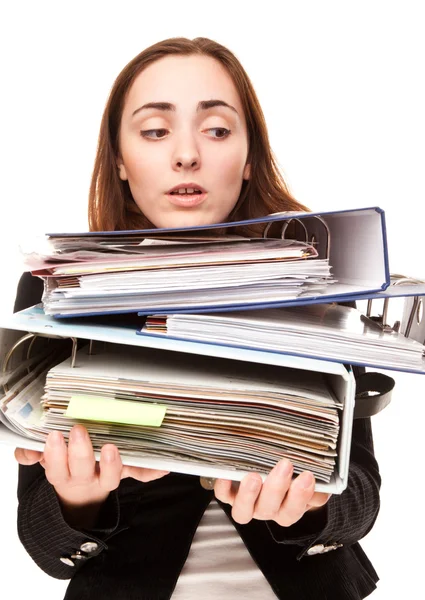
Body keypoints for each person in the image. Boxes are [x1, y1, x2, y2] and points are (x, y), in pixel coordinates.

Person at [14, 37, 380, 600]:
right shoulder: (61, 293)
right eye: (155, 131)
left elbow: (361, 493)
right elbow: (44, 546)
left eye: (216, 129)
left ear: (249, 155)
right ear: (118, 158)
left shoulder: (315, 288)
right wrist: (78, 498)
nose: (186, 155)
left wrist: (311, 505)